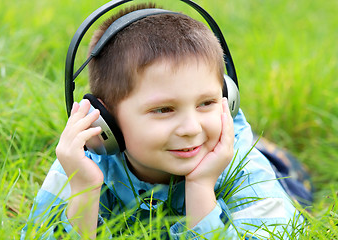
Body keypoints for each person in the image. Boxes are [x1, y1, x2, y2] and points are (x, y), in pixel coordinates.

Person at [22, 3, 304, 239]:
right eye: (164, 110)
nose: (191, 128)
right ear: (106, 121)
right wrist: (84, 191)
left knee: (280, 169)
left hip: (283, 176)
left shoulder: (242, 165)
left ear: (227, 99)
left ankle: (269, 149)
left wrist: (201, 187)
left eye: (206, 103)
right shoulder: (82, 163)